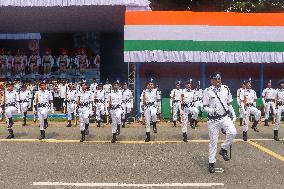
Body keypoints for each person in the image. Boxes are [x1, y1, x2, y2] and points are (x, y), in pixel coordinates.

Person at [203, 72, 237, 173]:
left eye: (219, 78)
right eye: (216, 79)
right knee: (213, 141)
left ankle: (223, 148)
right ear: (211, 80)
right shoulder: (207, 91)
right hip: (212, 120)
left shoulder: (226, 88)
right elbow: (204, 106)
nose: (218, 80)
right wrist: (211, 110)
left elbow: (229, 103)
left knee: (232, 132)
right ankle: (211, 163)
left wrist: (234, 114)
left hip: (224, 117)